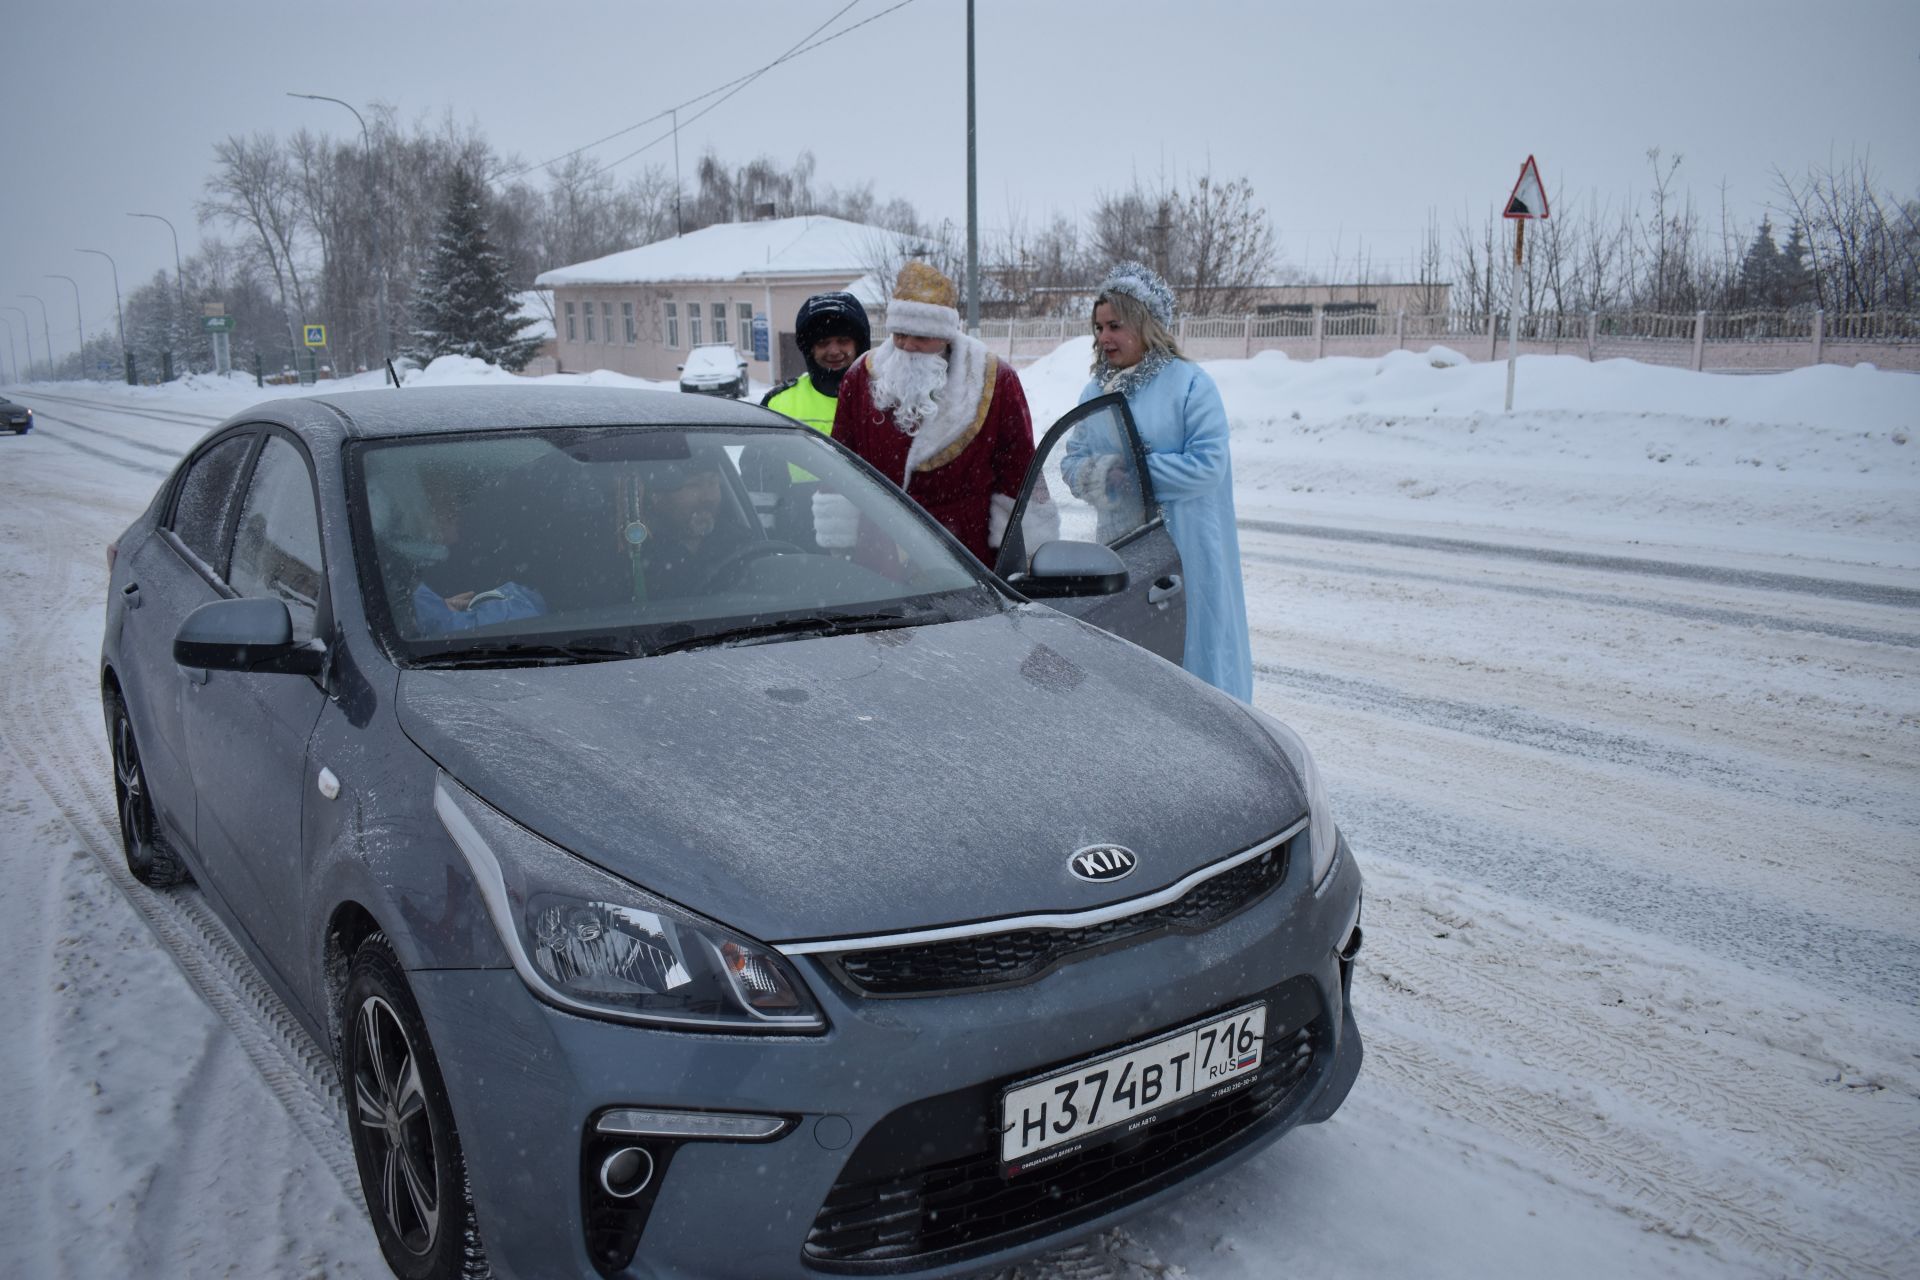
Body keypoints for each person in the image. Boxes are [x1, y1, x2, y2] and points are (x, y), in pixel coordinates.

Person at [1071, 260, 1252, 701]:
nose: (1104, 338)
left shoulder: (1191, 385)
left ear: (1144, 324)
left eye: (1115, 325)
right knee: (1130, 651)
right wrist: (1098, 476)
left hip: (1189, 549)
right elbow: (1073, 461)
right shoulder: (1096, 391)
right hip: (1121, 547)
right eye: (1098, 327)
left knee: (1193, 647)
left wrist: (1131, 475)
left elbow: (1208, 465)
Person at [818, 262, 1041, 567]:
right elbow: (840, 465)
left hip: (962, 552)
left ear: (945, 334)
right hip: (879, 551)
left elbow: (1018, 470)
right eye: (900, 334)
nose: (907, 346)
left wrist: (1020, 554)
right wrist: (838, 539)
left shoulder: (994, 379)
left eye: (921, 336)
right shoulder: (861, 376)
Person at [638, 459, 754, 598]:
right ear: (656, 496)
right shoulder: (635, 553)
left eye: (713, 483)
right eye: (693, 485)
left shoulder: (742, 544)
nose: (709, 497)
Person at [761, 291, 870, 434]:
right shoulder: (778, 404)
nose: (834, 351)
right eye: (823, 343)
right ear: (810, 350)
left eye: (843, 341)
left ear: (858, 345)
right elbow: (757, 455)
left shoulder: (885, 400)